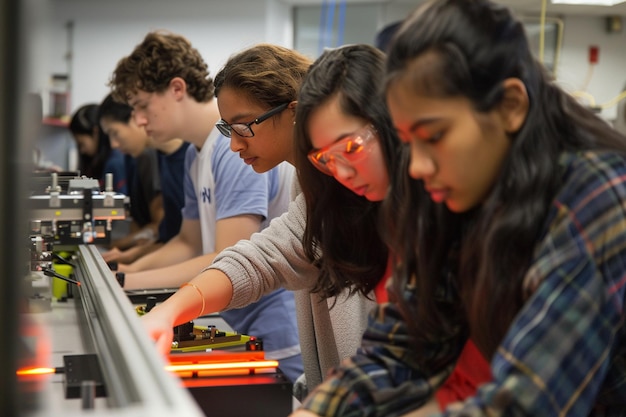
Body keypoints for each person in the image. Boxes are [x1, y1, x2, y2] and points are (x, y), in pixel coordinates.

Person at [292, 0, 626, 416]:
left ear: (510, 106)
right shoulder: (455, 191)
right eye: (407, 141)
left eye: (434, 135)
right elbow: (403, 343)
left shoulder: (595, 194)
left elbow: (525, 402)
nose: (416, 165)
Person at [108, 31, 303, 383]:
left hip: (275, 325)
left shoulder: (239, 155)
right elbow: (189, 242)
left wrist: (126, 280)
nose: (138, 119)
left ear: (177, 89)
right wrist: (124, 273)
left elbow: (228, 253)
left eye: (141, 104)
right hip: (238, 313)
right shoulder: (197, 156)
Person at [98, 93, 188, 264]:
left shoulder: (188, 155)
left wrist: (132, 264)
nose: (113, 145)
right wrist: (132, 256)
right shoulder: (158, 158)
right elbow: (171, 237)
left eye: (114, 133)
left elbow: (190, 243)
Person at [69, 103, 127, 193]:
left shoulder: (115, 163)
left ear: (95, 133)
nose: (82, 150)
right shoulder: (98, 163)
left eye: (81, 144)